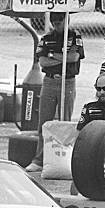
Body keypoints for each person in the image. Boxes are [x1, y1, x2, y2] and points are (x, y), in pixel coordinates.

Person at [25, 12, 85, 173]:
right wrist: (61, 56)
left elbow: (73, 57)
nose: (57, 25)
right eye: (55, 22)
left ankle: (64, 160)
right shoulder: (46, 38)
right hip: (50, 81)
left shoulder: (74, 36)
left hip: (68, 81)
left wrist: (52, 54)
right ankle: (39, 159)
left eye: (60, 21)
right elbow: (43, 61)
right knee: (44, 122)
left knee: (65, 121)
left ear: (67, 20)